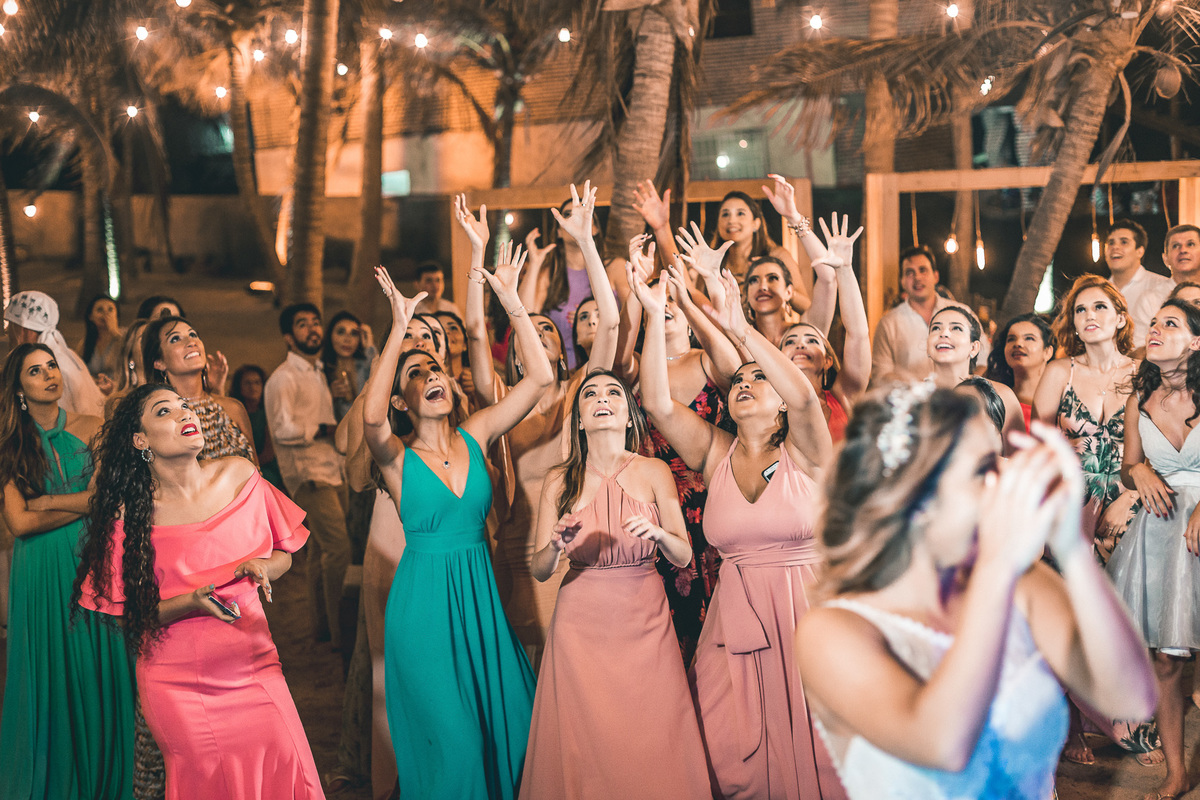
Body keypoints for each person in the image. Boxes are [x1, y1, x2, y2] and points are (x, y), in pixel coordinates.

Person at [796, 386, 1156, 800]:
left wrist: (1072, 547)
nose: (1007, 477)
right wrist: (997, 568)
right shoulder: (833, 629)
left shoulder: (1024, 584)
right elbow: (943, 746)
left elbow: (1132, 698)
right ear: (916, 496)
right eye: (984, 467)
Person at [638, 266, 844, 799]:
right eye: (740, 381)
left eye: (759, 379)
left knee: (820, 748)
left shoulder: (808, 451)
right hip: (734, 618)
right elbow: (658, 404)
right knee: (724, 740)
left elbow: (802, 397)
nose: (745, 385)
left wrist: (739, 328)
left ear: (779, 398)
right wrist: (652, 309)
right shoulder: (713, 454)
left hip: (806, 612)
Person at [364, 247, 553, 799]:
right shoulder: (396, 460)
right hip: (422, 614)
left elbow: (539, 376)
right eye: (417, 375)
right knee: (456, 747)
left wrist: (513, 301)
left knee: (512, 736)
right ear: (404, 400)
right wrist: (400, 332)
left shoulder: (478, 433)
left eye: (436, 368)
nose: (433, 375)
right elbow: (371, 418)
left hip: (481, 604)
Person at [74, 384, 324, 800]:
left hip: (254, 664)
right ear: (141, 440)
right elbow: (129, 612)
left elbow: (285, 552)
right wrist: (190, 602)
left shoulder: (240, 475)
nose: (183, 413)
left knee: (286, 766)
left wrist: (266, 567)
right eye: (164, 411)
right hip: (178, 684)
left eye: (184, 405)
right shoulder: (131, 514)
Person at [521, 370, 710, 798]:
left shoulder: (655, 471)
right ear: (581, 420)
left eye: (613, 393)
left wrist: (659, 535)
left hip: (643, 616)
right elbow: (539, 569)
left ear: (629, 416)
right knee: (584, 737)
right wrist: (555, 545)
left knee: (651, 726)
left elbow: (683, 556)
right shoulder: (559, 479)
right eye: (590, 394)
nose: (601, 398)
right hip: (580, 623)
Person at [462, 186, 621, 669]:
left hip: (574, 541)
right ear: (515, 350)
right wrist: (477, 252)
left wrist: (587, 243)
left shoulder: (579, 393)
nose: (540, 333)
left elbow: (610, 324)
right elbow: (473, 329)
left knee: (574, 665)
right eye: (529, 331)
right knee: (521, 669)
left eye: (548, 327)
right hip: (513, 545)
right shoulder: (501, 404)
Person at [0, 343, 136, 800]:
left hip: (91, 560)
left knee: (99, 665)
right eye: (35, 372)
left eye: (51, 366)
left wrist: (49, 500)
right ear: (19, 390)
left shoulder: (93, 427)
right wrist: (81, 504)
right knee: (50, 670)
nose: (48, 376)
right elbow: (19, 523)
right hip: (38, 571)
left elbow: (108, 498)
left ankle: (105, 779)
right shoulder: (10, 443)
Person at [616, 239, 741, 660]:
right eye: (658, 298)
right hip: (660, 504)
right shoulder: (636, 370)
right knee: (672, 625)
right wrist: (638, 297)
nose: (664, 303)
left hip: (716, 496)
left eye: (670, 298)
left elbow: (733, 368)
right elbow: (617, 363)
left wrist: (688, 299)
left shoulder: (706, 360)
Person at [1108, 298, 1200, 800]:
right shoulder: (1138, 400)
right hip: (1161, 532)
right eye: (1155, 322)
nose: (1157, 328)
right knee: (1167, 659)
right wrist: (1138, 470)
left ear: (1196, 342)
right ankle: (1176, 773)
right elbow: (1128, 467)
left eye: (1172, 323)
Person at [265, 303, 352, 651]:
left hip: (333, 468)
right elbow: (281, 429)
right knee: (339, 548)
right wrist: (321, 429)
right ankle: (340, 629)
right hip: (308, 475)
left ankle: (323, 629)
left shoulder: (319, 372)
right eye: (303, 325)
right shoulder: (282, 378)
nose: (313, 329)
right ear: (289, 337)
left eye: (316, 323)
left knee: (319, 551)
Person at [1033, 275, 1140, 560]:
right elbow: (1037, 448)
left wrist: (1131, 499)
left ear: (1120, 318)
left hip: (1130, 508)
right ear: (1075, 324)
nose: (1089, 315)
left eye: (1099, 307)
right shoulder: (1058, 372)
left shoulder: (1143, 375)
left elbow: (1161, 449)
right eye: (1080, 310)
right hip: (1067, 510)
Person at [632, 182, 812, 315]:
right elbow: (688, 288)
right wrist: (661, 228)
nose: (731, 220)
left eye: (740, 213)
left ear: (756, 223)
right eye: (725, 214)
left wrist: (774, 284)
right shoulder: (713, 264)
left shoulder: (776, 257)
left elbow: (805, 306)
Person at [777, 213, 871, 443]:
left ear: (828, 360)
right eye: (789, 342)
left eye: (812, 340)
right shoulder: (769, 403)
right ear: (777, 359)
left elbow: (857, 334)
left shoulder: (842, 395)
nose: (800, 343)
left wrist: (845, 270)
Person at [519, 189, 623, 369]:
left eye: (582, 213)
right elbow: (523, 318)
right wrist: (535, 264)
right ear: (559, 231)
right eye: (567, 215)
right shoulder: (549, 273)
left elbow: (634, 321)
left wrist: (590, 320)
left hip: (611, 366)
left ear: (595, 228)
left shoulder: (615, 267)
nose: (575, 218)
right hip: (562, 371)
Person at [143, 316, 256, 464]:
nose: (191, 342)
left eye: (193, 335)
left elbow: (258, 473)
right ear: (159, 362)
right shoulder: (161, 419)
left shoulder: (233, 408)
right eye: (175, 339)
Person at [925, 305, 1024, 447]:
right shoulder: (912, 399)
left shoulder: (1002, 395)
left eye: (956, 328)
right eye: (935, 328)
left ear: (974, 348)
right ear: (928, 345)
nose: (944, 334)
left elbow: (1018, 459)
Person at [5, 290, 106, 416]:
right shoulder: (65, 354)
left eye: (10, 325)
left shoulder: (44, 367)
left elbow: (56, 421)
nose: (7, 331)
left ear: (24, 330)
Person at [871, 246, 957, 384]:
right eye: (909, 273)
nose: (917, 277)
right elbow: (880, 375)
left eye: (923, 270)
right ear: (902, 281)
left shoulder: (959, 313)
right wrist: (917, 388)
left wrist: (966, 389)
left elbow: (982, 359)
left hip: (958, 402)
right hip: (911, 403)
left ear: (936, 276)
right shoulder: (888, 323)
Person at [984, 313, 1056, 432]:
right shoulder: (994, 400)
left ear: (1048, 352)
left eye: (1029, 338)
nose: (1018, 344)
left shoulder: (1062, 404)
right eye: (1011, 339)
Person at [1106, 219, 1173, 345]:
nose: (1115, 247)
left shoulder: (1160, 286)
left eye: (1124, 242)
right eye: (1110, 243)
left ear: (1140, 251)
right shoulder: (1099, 291)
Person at [230, 364, 286, 492]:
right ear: (239, 387)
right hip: (241, 467)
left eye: (257, 383)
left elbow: (268, 454)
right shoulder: (234, 414)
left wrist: (249, 468)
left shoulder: (268, 413)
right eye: (247, 383)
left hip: (266, 468)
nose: (253, 387)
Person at [321, 310, 376, 421]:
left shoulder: (366, 365)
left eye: (354, 333)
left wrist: (369, 344)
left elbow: (383, 385)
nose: (347, 339)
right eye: (341, 332)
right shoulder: (321, 370)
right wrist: (329, 396)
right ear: (330, 336)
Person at [76, 294, 125, 384]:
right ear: (90, 316)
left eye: (110, 309)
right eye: (100, 310)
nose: (105, 314)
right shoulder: (85, 343)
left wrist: (114, 332)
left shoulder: (124, 337)